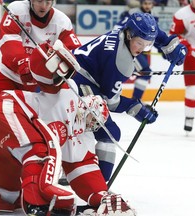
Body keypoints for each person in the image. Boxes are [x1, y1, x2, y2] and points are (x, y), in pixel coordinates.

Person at [0, 44, 136, 215]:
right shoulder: (68, 94)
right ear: (86, 103)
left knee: (9, 196)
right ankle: (37, 206)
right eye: (93, 118)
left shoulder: (82, 138)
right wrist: (51, 62)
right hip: (3, 112)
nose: (92, 124)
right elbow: (48, 78)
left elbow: (83, 170)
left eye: (96, 124)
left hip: (2, 142)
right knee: (42, 150)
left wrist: (100, 197)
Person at [0, 0, 81, 156]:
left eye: (48, 1)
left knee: (39, 126)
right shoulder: (17, 10)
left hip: (38, 85)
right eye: (40, 1)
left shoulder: (62, 22)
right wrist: (22, 63)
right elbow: (8, 40)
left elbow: (73, 53)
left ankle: (51, 158)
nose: (43, 6)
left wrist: (57, 68)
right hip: (9, 76)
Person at [71, 12, 187, 182]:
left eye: (147, 45)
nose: (141, 49)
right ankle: (100, 188)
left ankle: (76, 171)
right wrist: (137, 108)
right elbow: (111, 103)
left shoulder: (125, 31)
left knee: (81, 130)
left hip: (72, 73)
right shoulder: (120, 61)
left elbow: (157, 35)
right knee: (109, 132)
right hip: (76, 83)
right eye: (139, 43)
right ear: (129, 34)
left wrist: (171, 46)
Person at [169, 0, 195, 134]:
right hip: (193, 56)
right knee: (193, 90)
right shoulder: (182, 14)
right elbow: (174, 35)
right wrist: (187, 46)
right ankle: (189, 117)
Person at [117, 0, 157, 100]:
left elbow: (153, 37)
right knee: (145, 72)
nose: (147, 6)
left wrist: (164, 49)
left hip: (140, 49)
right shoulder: (132, 14)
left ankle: (136, 100)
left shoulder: (153, 16)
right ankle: (135, 100)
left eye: (149, 4)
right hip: (128, 48)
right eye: (145, 3)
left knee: (145, 73)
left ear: (153, 5)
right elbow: (119, 28)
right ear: (141, 4)